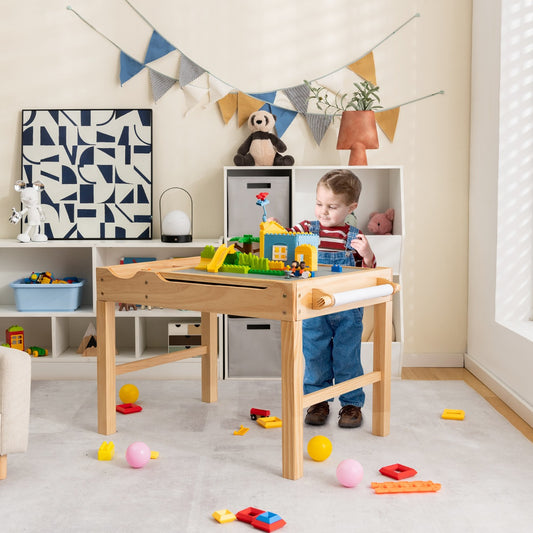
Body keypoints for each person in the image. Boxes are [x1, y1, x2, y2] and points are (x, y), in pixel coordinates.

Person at [288, 169, 376, 428]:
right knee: (315, 355)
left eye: (332, 206)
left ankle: (351, 405)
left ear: (351, 207)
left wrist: (368, 254)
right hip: (313, 308)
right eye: (319, 204)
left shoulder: (354, 237)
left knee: (347, 357)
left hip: (347, 310)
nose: (323, 212)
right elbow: (284, 240)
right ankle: (318, 400)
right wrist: (273, 227)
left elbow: (367, 274)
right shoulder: (306, 229)